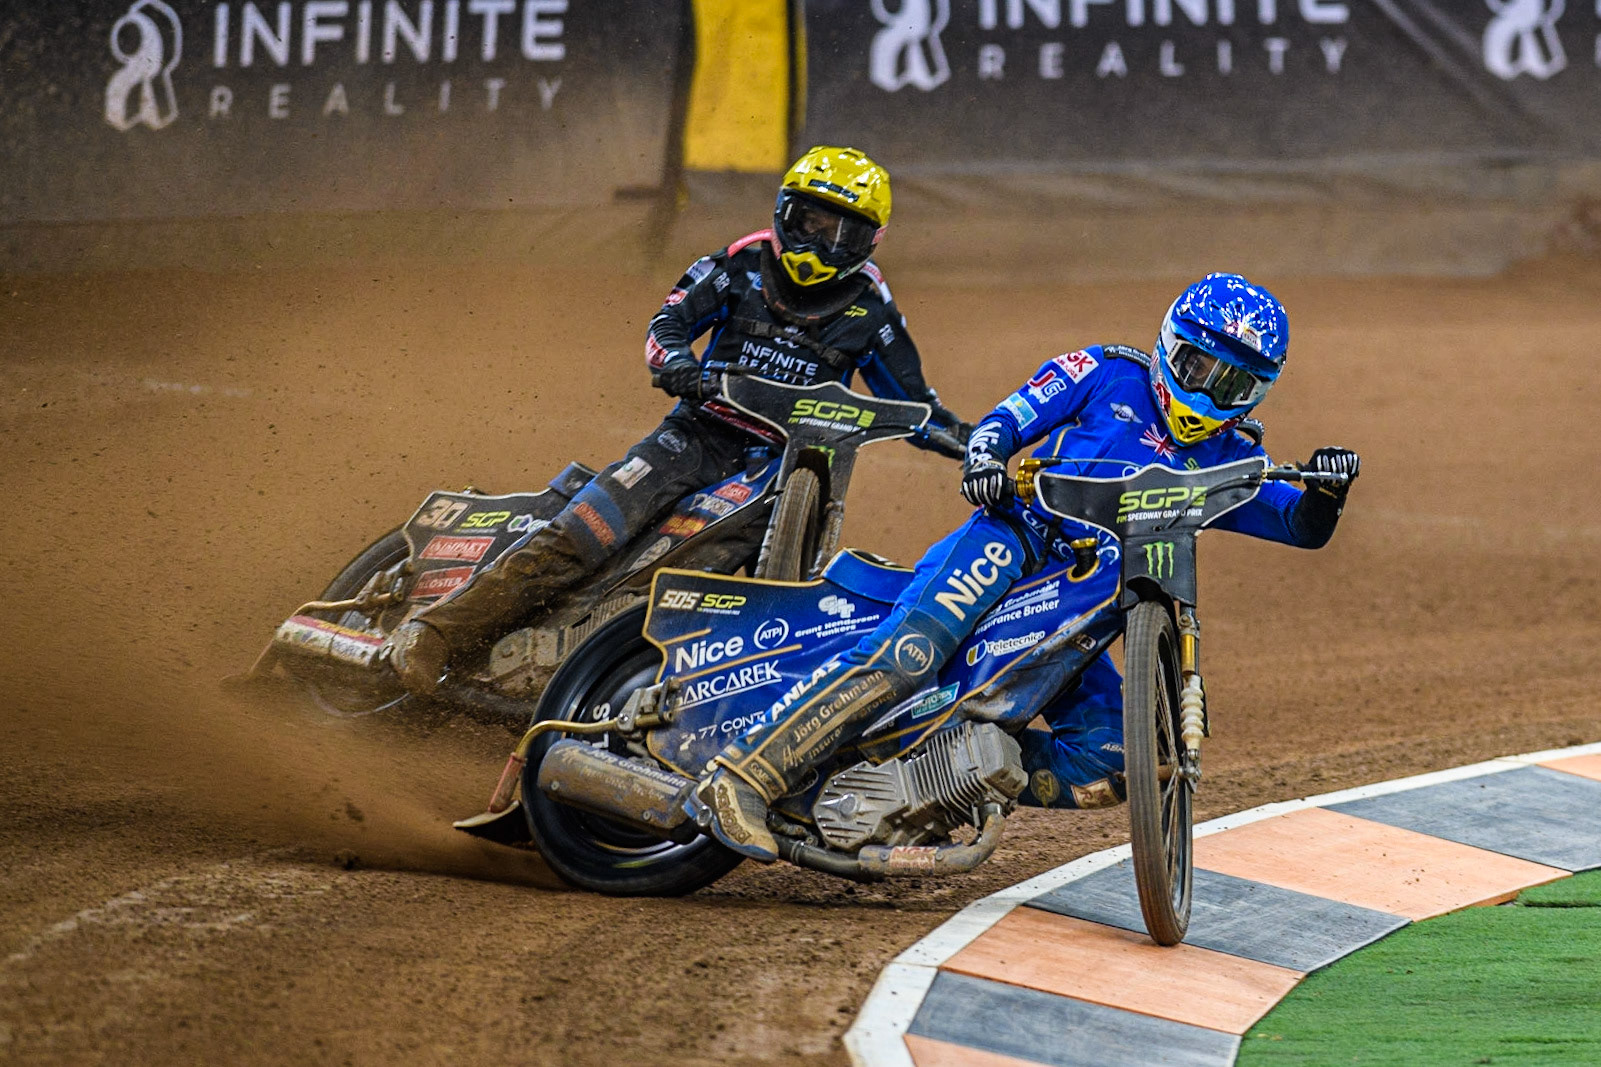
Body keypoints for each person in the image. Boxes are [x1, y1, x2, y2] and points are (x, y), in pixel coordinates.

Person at [691, 273, 1362, 862]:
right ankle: (741, 775)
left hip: (1086, 614)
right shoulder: (1105, 369)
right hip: (1017, 540)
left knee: (1118, 762)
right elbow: (1005, 420)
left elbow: (1298, 524)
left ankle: (946, 776)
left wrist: (1327, 493)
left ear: (1258, 391)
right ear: (1166, 342)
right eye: (1194, 366)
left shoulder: (1231, 458)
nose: (1205, 394)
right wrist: (984, 461)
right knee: (911, 652)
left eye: (1232, 383)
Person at [385, 146, 969, 694]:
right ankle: (435, 633)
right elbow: (666, 326)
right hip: (692, 436)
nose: (820, 244)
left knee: (709, 576)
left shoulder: (873, 310)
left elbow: (916, 406)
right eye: (811, 221)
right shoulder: (737, 265)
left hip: (777, 466)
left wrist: (977, 443)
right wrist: (681, 368)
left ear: (871, 241)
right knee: (583, 535)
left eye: (843, 233)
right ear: (784, 213)